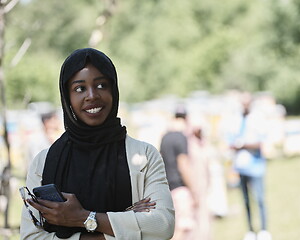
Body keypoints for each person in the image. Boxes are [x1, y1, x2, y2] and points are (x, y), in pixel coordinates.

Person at [20, 48, 175, 240]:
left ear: (114, 89)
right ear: (67, 97)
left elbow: (162, 226)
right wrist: (127, 222)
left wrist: (82, 218)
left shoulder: (143, 155)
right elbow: (31, 237)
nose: (92, 95)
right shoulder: (44, 162)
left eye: (101, 85)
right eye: (79, 88)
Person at [228, 93, 271, 240]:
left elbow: (260, 142)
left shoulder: (257, 118)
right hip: (241, 166)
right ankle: (251, 230)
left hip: (256, 165)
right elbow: (230, 140)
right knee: (246, 200)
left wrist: (243, 145)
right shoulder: (235, 119)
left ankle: (264, 229)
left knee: (259, 198)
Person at [160, 106, 196, 240]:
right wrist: (194, 191)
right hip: (180, 188)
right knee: (183, 228)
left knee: (173, 227)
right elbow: (183, 165)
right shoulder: (181, 137)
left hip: (168, 188)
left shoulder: (165, 137)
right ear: (186, 119)